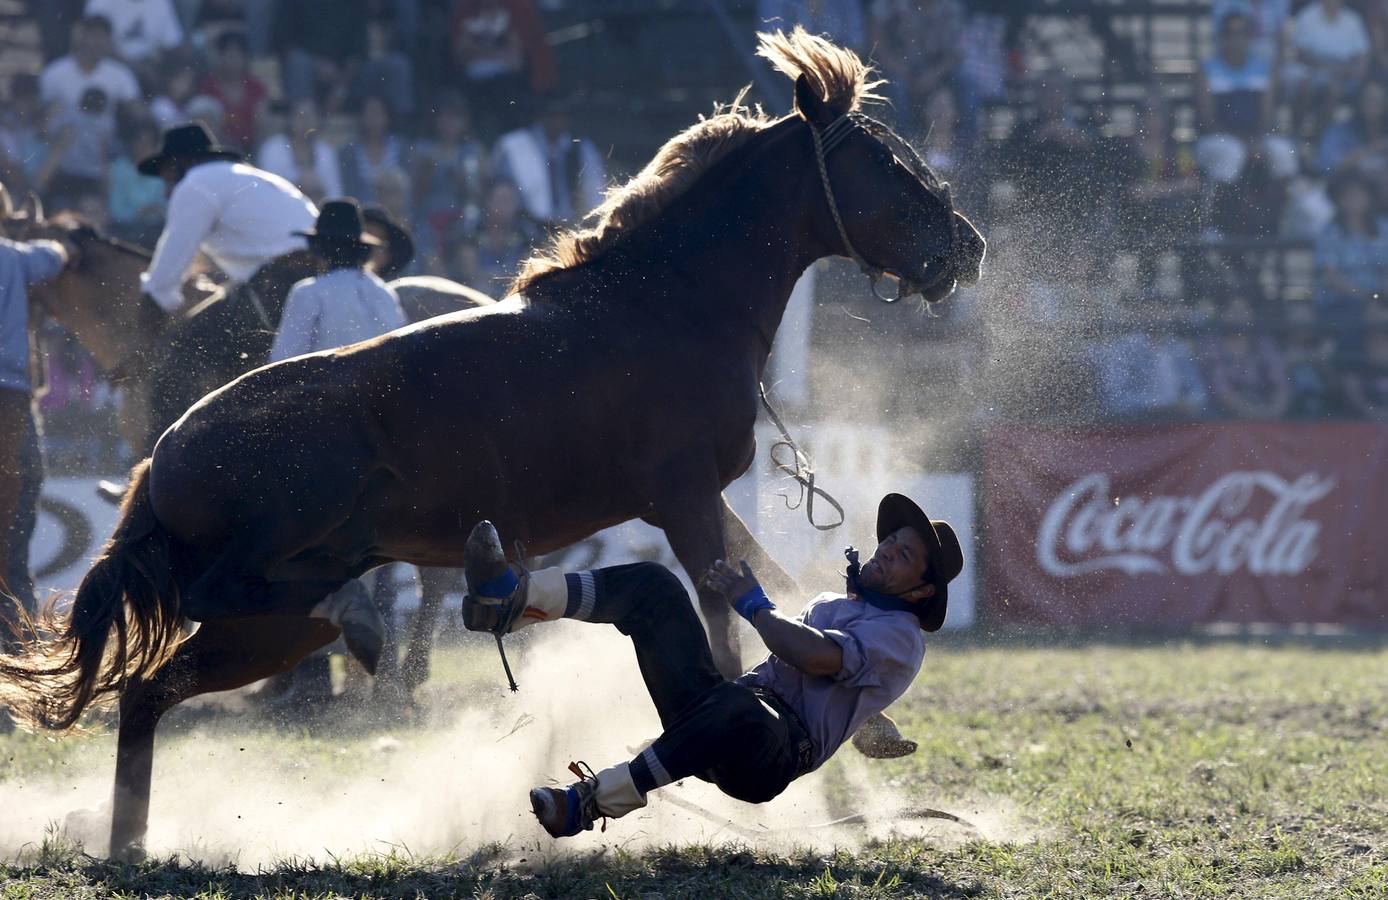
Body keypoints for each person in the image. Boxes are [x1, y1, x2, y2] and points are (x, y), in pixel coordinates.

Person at [458, 493, 962, 838]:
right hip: (732, 712)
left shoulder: (901, 637)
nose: (888, 551)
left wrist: (755, 605)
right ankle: (516, 600)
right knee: (656, 586)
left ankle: (588, 802)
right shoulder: (841, 603)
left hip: (771, 753)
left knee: (737, 704)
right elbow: (832, 677)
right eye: (890, 542)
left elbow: (814, 656)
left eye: (903, 555)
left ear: (920, 591)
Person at [264, 198, 406, 703]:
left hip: (327, 441)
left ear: (321, 250)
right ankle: (382, 681)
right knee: (382, 555)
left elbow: (283, 368)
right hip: (387, 443)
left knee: (313, 553)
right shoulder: (384, 295)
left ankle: (313, 679)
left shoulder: (309, 293)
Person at [137, 120, 317, 443]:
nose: (166, 190)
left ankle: (156, 470)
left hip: (277, 285)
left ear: (183, 164)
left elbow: (162, 282)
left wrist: (146, 336)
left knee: (178, 351)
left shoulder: (195, 184)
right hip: (311, 276)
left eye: (166, 177)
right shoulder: (252, 178)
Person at [0, 222, 75, 643]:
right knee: (18, 499)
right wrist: (62, 242)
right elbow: (59, 254)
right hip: (8, 396)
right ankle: (15, 628)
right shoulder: (15, 256)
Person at [491, 94, 605, 226]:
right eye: (552, 114)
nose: (557, 121)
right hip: (525, 228)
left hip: (570, 227)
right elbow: (502, 196)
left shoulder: (581, 149)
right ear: (541, 115)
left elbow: (596, 197)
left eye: (562, 115)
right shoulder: (514, 146)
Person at [255, 98, 344, 203]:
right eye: (300, 116)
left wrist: (317, 189)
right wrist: (298, 185)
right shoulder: (272, 148)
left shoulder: (326, 151)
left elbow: (335, 193)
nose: (305, 121)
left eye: (309, 116)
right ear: (290, 119)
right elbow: (267, 190)